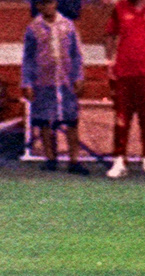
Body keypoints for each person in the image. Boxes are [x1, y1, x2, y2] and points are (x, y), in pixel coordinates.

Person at [23, 0, 89, 171]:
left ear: (55, 4)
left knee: (71, 120)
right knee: (45, 120)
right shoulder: (33, 28)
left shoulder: (68, 26)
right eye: (43, 4)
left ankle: (74, 160)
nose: (47, 7)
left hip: (66, 81)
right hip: (43, 81)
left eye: (50, 3)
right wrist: (27, 82)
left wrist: (78, 77)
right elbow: (28, 58)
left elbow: (76, 54)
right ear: (38, 6)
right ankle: (50, 158)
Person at [105, 0, 145, 176]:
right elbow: (110, 34)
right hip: (124, 72)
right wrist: (109, 61)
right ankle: (119, 159)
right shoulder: (120, 7)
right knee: (121, 118)